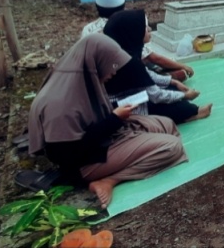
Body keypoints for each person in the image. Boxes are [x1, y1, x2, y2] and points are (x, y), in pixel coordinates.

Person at [27, 34, 188, 209]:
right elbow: (67, 155)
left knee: (166, 124)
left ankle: (140, 147)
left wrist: (116, 117)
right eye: (111, 66)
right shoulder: (59, 104)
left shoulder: (80, 78)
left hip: (103, 140)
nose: (113, 72)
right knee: (171, 147)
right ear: (95, 61)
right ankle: (109, 180)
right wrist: (114, 119)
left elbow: (92, 117)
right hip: (85, 162)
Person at [103, 9, 212, 124]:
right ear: (134, 32)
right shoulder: (129, 63)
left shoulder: (127, 52)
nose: (150, 29)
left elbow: (147, 74)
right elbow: (156, 95)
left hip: (132, 97)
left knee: (172, 89)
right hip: (124, 109)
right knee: (179, 106)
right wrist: (185, 96)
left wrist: (173, 82)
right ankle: (193, 113)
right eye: (145, 27)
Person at [81, 0, 194, 81]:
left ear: (97, 7)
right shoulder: (130, 24)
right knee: (174, 71)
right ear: (123, 4)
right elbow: (153, 58)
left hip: (98, 78)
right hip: (125, 77)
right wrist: (184, 66)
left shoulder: (87, 30)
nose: (149, 30)